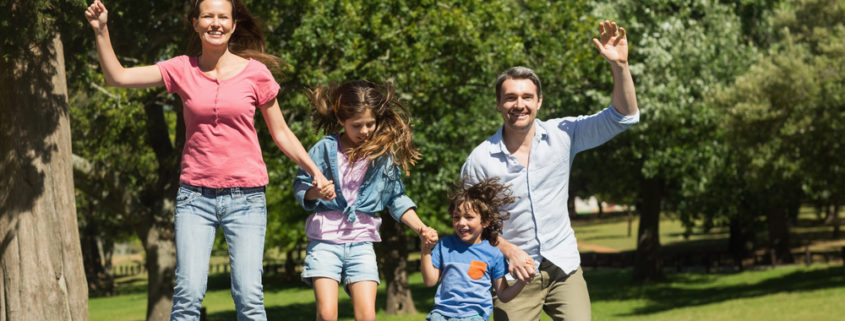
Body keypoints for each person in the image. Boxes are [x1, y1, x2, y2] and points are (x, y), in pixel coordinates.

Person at [84, 0, 335, 320]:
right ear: (195, 24)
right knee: (187, 295)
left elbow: (281, 132)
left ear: (232, 25)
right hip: (195, 197)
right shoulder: (180, 69)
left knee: (249, 296)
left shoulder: (256, 74)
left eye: (222, 17)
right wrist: (102, 30)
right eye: (207, 16)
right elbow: (117, 77)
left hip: (246, 196)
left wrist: (314, 171)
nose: (215, 23)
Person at [460, 21, 640, 321]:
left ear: (539, 101)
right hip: (511, 275)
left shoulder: (563, 135)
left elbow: (623, 117)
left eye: (527, 97)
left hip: (562, 266)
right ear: (498, 104)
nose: (519, 104)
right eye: (510, 97)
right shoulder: (480, 161)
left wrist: (620, 66)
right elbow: (467, 226)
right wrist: (507, 250)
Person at [293, 80, 436, 321]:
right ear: (341, 121)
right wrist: (316, 192)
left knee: (367, 316)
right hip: (325, 240)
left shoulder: (382, 156)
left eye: (370, 123)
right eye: (356, 125)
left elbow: (396, 197)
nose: (365, 131)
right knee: (327, 314)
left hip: (361, 242)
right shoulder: (324, 149)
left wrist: (420, 227)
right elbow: (301, 186)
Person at [419, 178, 528, 321]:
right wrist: (425, 249)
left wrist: (522, 281)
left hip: (473, 317)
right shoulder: (445, 244)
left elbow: (503, 294)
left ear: (486, 221)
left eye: (469, 217)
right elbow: (430, 281)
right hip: (441, 316)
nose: (461, 223)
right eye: (456, 217)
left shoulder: (493, 253)